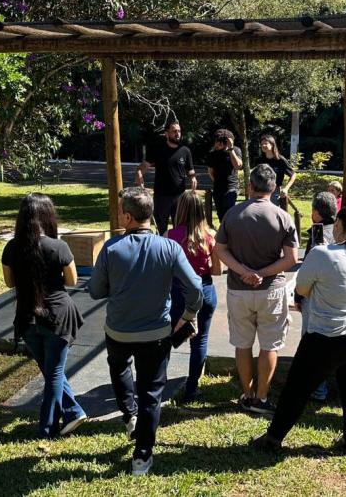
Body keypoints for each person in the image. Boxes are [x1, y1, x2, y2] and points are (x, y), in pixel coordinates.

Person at [250, 206, 346, 457]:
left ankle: (272, 439)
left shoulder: (322, 254)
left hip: (336, 333)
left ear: (337, 226)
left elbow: (301, 289)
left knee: (297, 386)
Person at [87, 187, 203, 475]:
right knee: (152, 393)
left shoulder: (111, 249)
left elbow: (95, 290)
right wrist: (187, 316)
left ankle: (129, 415)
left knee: (119, 369)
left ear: (127, 216)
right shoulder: (170, 248)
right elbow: (196, 288)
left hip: (118, 331)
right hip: (156, 334)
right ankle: (142, 455)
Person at [215, 164, 299, 415]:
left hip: (238, 291)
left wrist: (243, 271)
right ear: (273, 188)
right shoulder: (282, 217)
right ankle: (261, 397)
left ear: (250, 186)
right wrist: (262, 273)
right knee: (269, 345)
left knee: (242, 344)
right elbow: (291, 258)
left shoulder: (232, 214)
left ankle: (247, 392)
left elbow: (219, 249)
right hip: (271, 290)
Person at [2, 193, 87, 438]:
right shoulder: (58, 246)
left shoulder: (12, 247)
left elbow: (9, 283)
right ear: (48, 216)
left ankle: (72, 411)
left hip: (27, 317)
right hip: (58, 315)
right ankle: (48, 428)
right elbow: (71, 280)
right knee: (55, 372)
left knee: (51, 372)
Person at [166, 191, 222, 403]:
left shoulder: (169, 236)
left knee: (168, 338)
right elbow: (217, 271)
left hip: (178, 293)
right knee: (200, 341)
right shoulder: (211, 236)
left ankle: (158, 382)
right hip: (205, 290)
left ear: (179, 210)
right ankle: (192, 388)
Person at [298, 191, 338, 402]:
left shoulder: (318, 234)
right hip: (337, 296)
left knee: (311, 344)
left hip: (315, 298)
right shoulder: (341, 231)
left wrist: (299, 295)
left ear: (315, 212)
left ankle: (317, 388)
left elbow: (308, 269)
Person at [136, 121, 197, 233]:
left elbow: (190, 170)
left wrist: (193, 178)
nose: (177, 134)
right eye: (174, 131)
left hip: (180, 196)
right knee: (161, 227)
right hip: (161, 196)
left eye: (179, 131)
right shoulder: (158, 149)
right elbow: (145, 165)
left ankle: (177, 249)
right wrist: (139, 173)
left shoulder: (185, 151)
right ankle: (161, 249)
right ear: (167, 133)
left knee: (180, 227)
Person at [206, 129, 243, 222]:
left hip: (231, 188)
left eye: (219, 143)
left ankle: (230, 234)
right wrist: (217, 182)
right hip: (218, 189)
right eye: (216, 142)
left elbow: (238, 166)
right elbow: (210, 171)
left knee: (229, 216)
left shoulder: (236, 150)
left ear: (226, 142)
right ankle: (223, 235)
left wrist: (231, 150)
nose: (216, 145)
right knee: (221, 216)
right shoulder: (212, 153)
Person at [256, 135, 296, 209]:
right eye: (261, 144)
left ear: (272, 144)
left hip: (274, 192)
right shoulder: (259, 160)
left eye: (265, 143)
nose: (263, 145)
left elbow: (293, 175)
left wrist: (286, 188)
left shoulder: (280, 160)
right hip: (260, 191)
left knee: (271, 214)